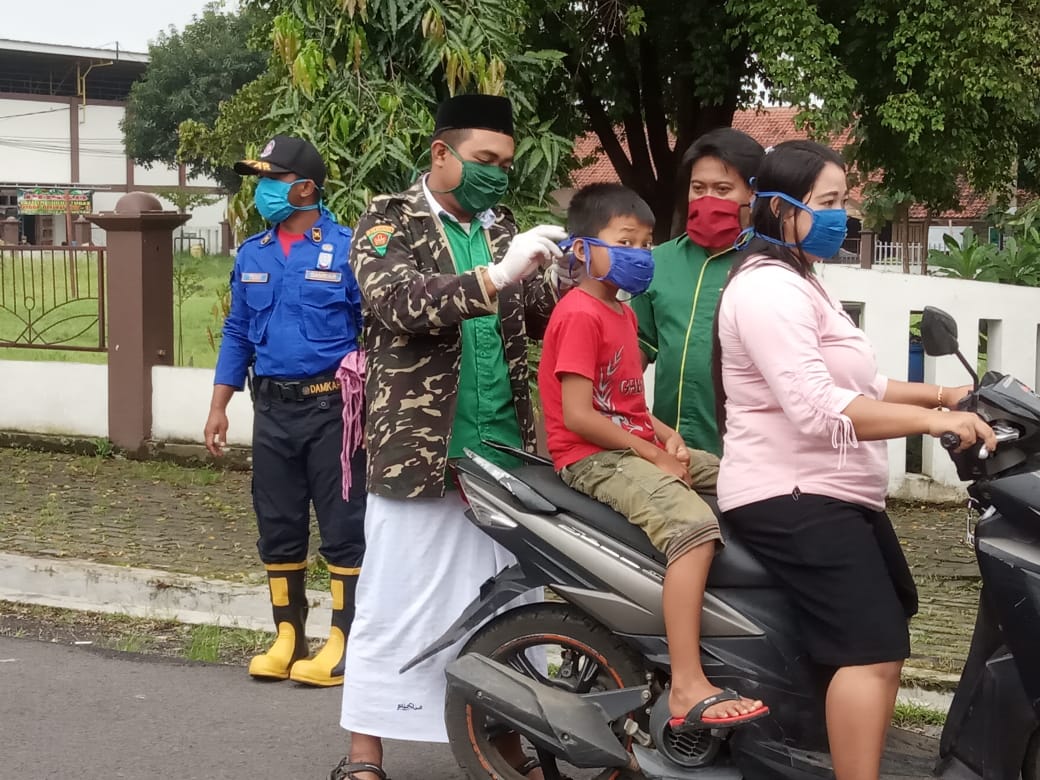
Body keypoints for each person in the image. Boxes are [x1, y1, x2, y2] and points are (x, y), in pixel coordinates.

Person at [712, 140, 997, 780]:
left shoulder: (804, 282)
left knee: (888, 629)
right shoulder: (767, 291)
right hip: (790, 492)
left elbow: (862, 384)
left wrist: (946, 395)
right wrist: (934, 421)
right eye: (829, 202)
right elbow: (817, 407)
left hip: (833, 492)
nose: (843, 216)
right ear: (780, 208)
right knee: (871, 650)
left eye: (845, 201)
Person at [329, 94, 573, 780]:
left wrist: (581, 271)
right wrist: (498, 274)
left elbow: (545, 316)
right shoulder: (388, 220)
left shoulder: (504, 230)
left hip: (503, 452)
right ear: (441, 154)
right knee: (397, 599)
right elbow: (398, 304)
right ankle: (366, 752)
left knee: (510, 601)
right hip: (422, 452)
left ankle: (506, 741)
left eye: (506, 163)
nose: (498, 173)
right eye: (484, 158)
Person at [538, 182, 768, 735]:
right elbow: (579, 416)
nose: (640, 255)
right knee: (694, 527)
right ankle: (687, 681)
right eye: (625, 242)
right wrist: (651, 452)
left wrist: (668, 437)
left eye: (645, 244)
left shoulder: (620, 311)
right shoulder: (579, 314)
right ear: (582, 248)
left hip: (629, 444)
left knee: (751, 478)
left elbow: (627, 404)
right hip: (591, 456)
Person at [204, 135, 367, 688]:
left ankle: (344, 642)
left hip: (333, 410)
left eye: (272, 180)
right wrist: (220, 404)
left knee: (344, 526)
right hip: (272, 409)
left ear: (305, 188)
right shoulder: (253, 252)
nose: (262, 190)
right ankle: (288, 637)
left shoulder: (348, 249)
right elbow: (237, 331)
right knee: (277, 524)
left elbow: (374, 331)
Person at [630, 128, 765, 455]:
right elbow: (636, 348)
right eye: (698, 188)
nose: (707, 199)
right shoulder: (659, 262)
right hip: (668, 451)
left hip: (746, 456)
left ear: (754, 194)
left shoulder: (771, 267)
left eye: (722, 189)